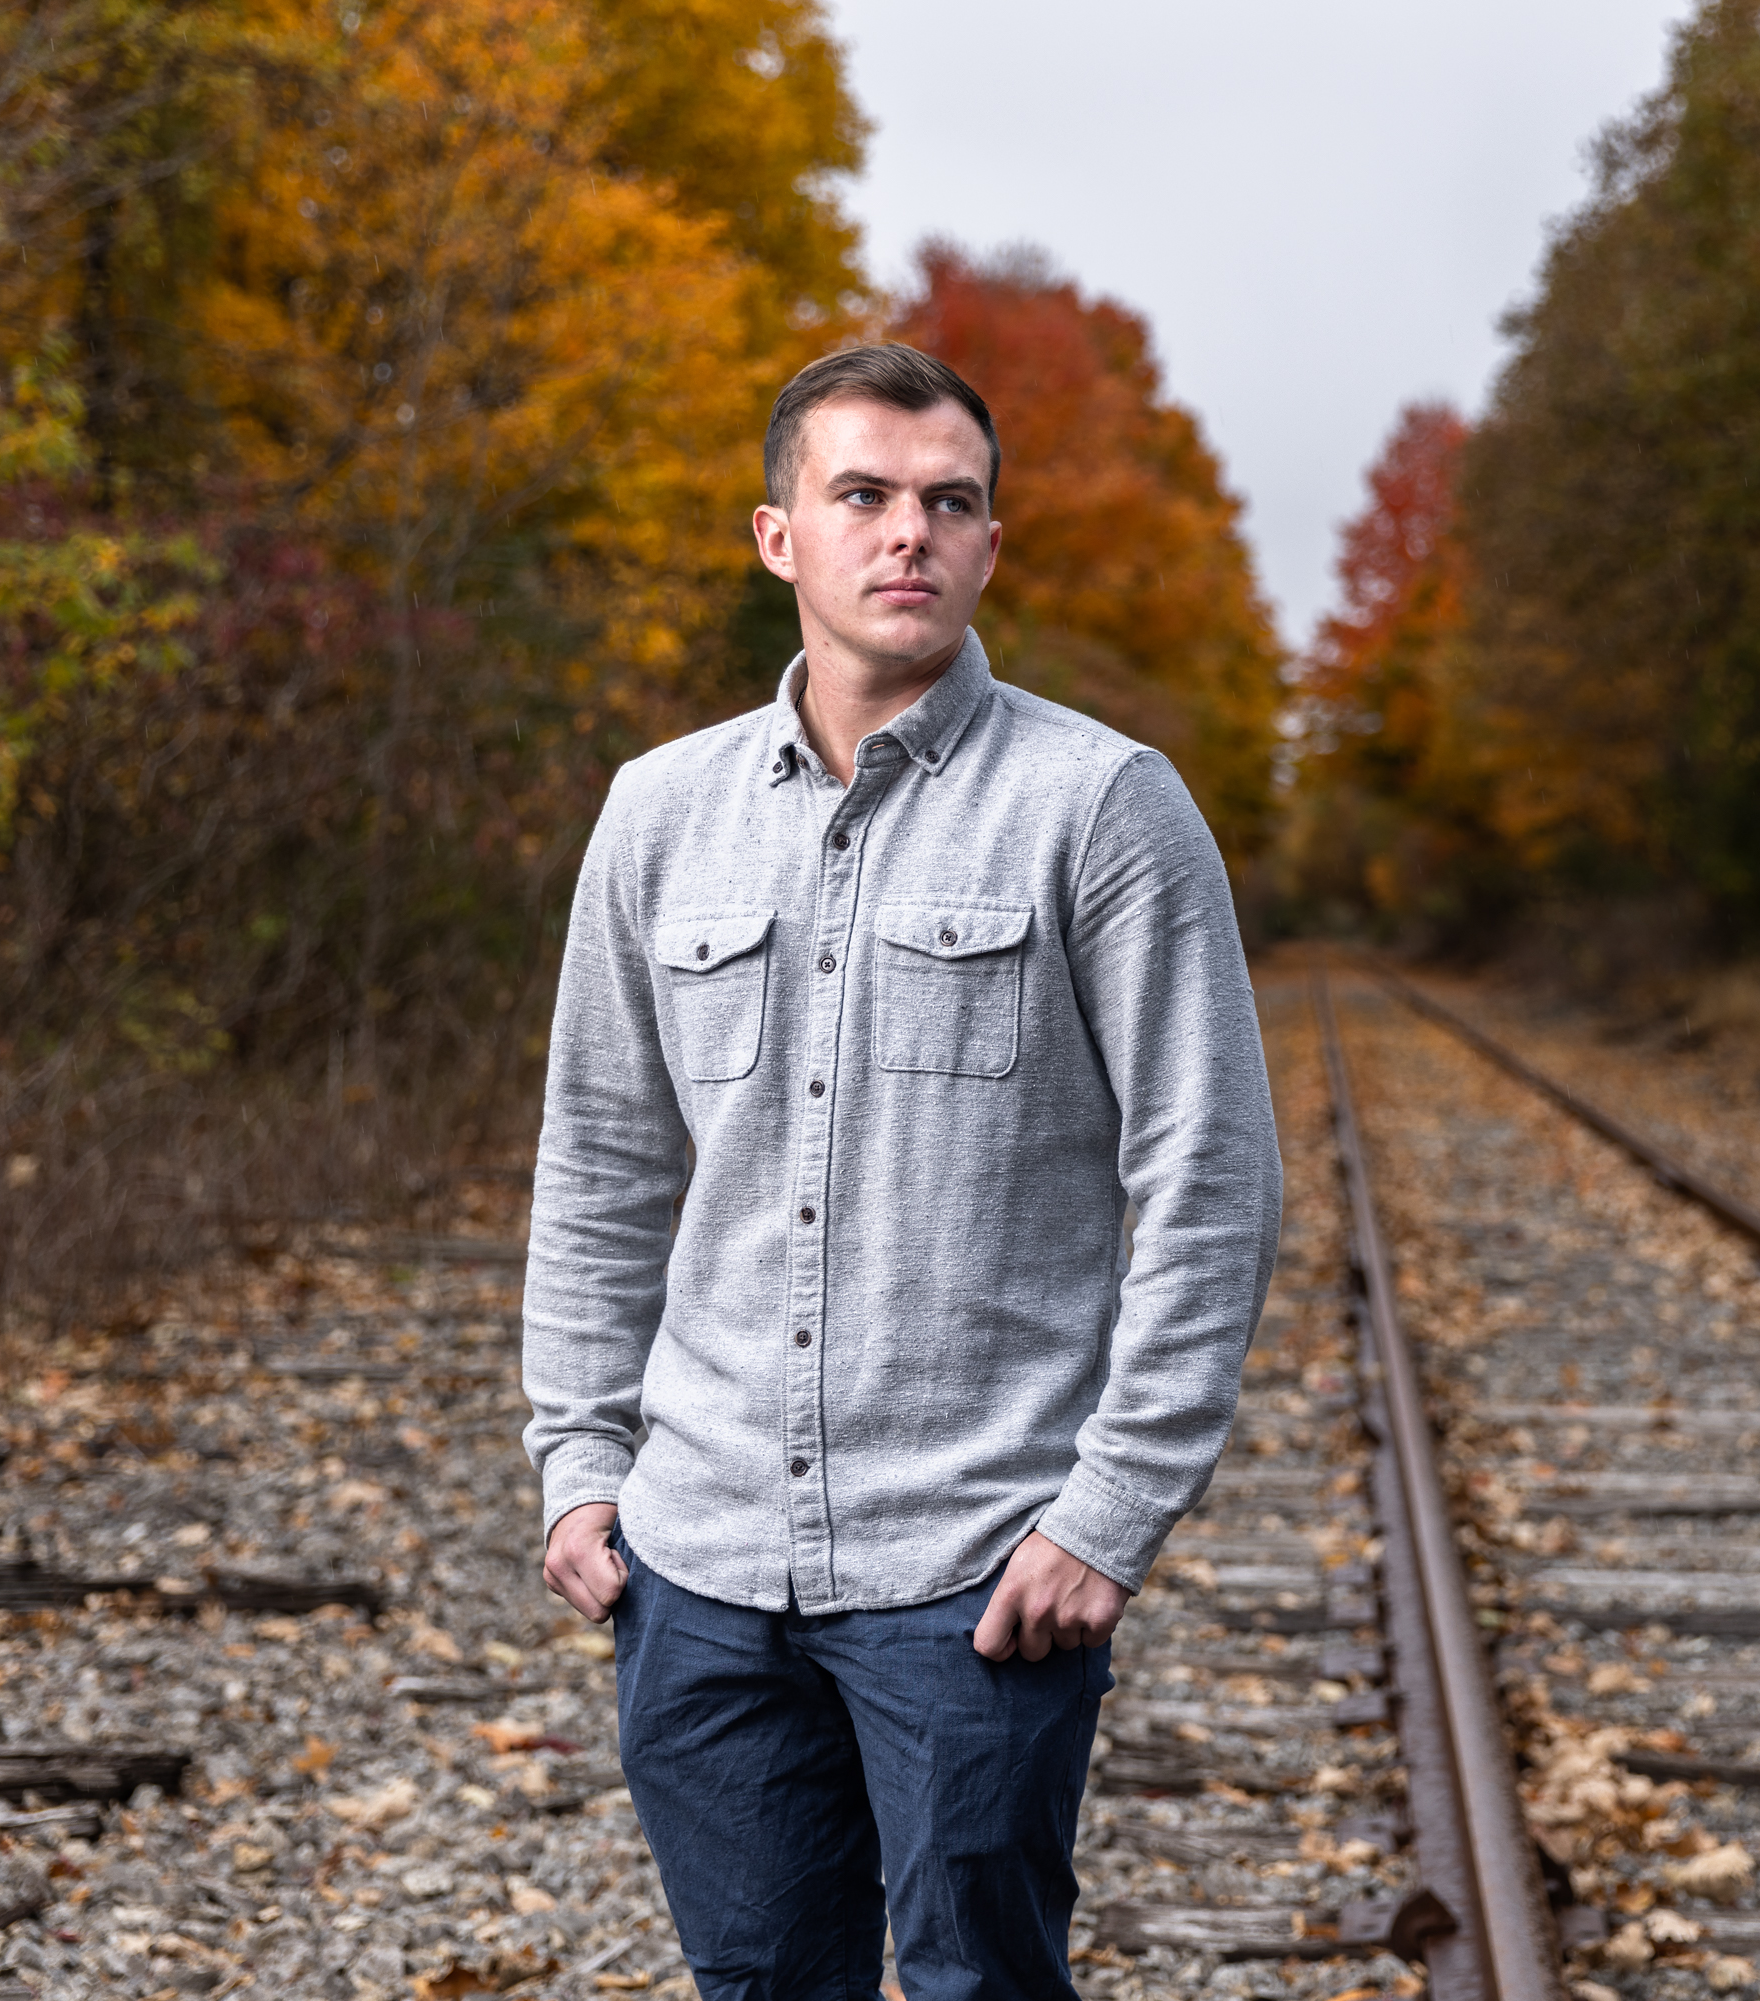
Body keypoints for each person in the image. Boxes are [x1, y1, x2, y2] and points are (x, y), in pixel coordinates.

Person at [520, 344, 1283, 2001]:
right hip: (701, 1566)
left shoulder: (1103, 809)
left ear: (991, 547)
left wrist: (1113, 1511)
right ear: (778, 535)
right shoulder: (659, 815)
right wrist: (581, 1461)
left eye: (949, 502)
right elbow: (598, 1163)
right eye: (861, 495)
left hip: (976, 1570)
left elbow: (1212, 1182)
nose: (907, 534)